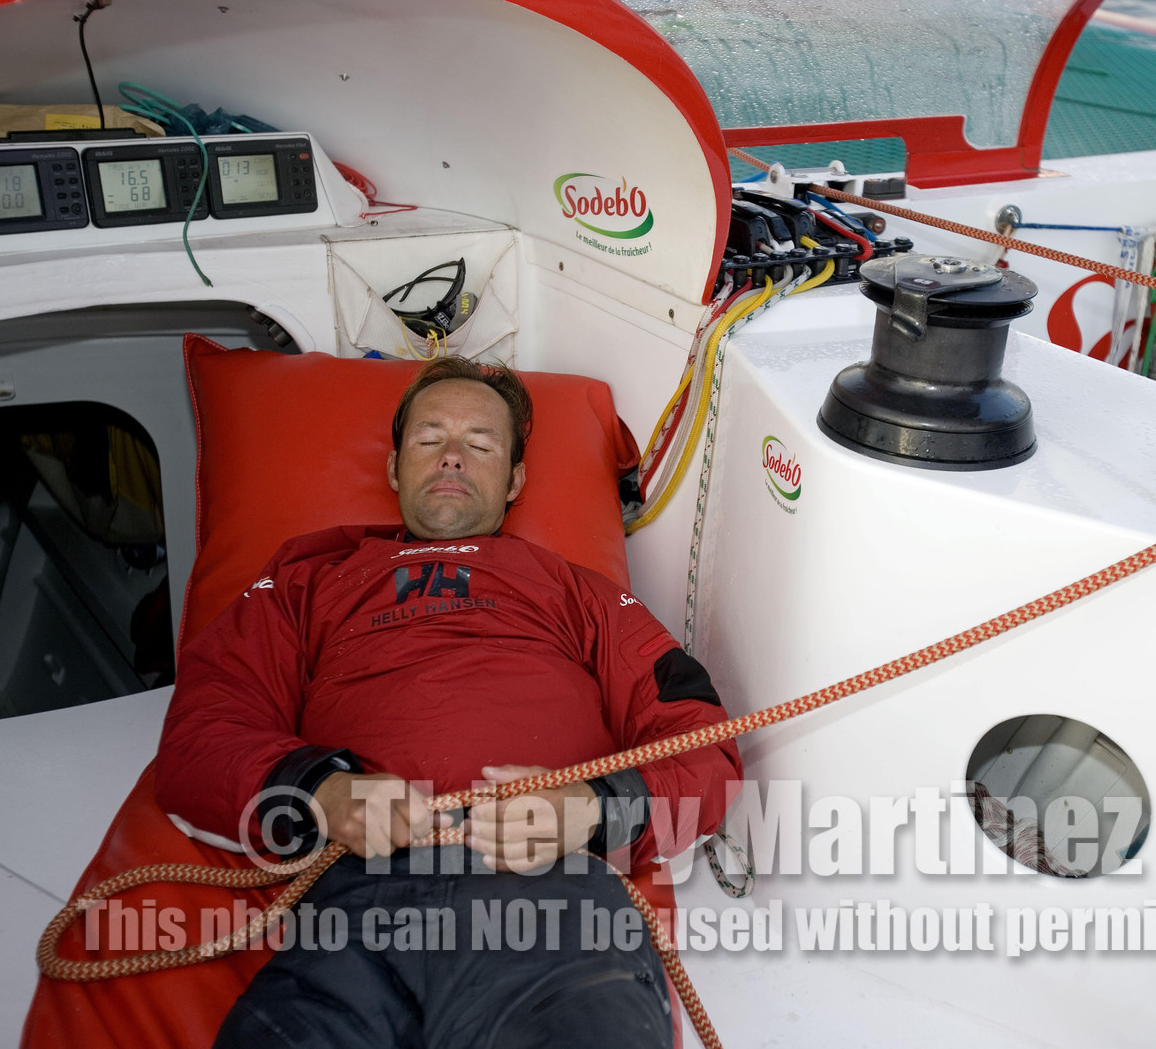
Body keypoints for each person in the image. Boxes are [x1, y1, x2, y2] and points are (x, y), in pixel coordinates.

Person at [155, 357, 741, 1048]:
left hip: (545, 896)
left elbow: (703, 745)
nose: (454, 457)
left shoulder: (580, 594)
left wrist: (592, 810)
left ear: (515, 480)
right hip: (355, 904)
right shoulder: (303, 583)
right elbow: (202, 731)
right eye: (429, 440)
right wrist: (320, 790)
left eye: (483, 445)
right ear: (396, 470)